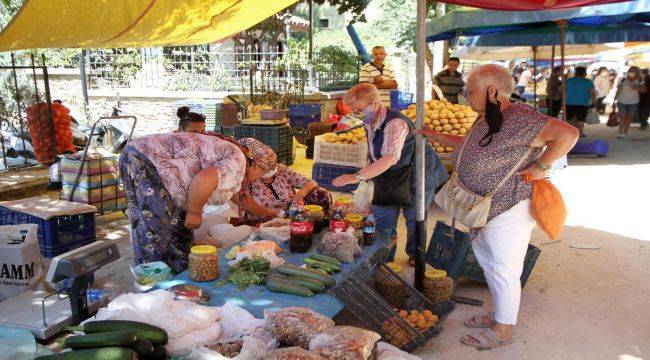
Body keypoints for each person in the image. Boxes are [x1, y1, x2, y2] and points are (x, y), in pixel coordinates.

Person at [418, 64, 579, 349]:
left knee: (504, 268)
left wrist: (542, 166)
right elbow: (470, 145)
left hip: (508, 206)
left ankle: (504, 330)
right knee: (489, 264)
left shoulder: (520, 117)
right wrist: (435, 135)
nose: (467, 97)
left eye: (471, 91)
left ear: (492, 90)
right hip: (481, 207)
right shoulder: (488, 118)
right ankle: (500, 315)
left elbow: (568, 134)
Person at [332, 83, 448, 266]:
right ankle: (384, 254)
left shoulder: (396, 123)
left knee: (414, 217)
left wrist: (358, 176)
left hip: (418, 172)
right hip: (391, 174)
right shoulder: (369, 121)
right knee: (382, 216)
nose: (357, 114)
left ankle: (415, 255)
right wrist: (368, 173)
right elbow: (373, 151)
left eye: (360, 110)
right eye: (354, 111)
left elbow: (390, 158)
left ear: (375, 104)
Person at [119, 133, 268, 273]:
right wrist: (194, 213)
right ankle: (167, 284)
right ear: (257, 165)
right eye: (263, 173)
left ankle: (152, 277)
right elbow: (204, 180)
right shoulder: (238, 160)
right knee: (166, 231)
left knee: (147, 226)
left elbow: (236, 195)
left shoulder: (232, 152)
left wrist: (266, 214)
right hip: (149, 162)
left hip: (135, 154)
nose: (259, 179)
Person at [237, 137, 332, 224]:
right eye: (264, 169)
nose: (269, 170)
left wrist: (300, 195)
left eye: (270, 168)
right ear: (254, 165)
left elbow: (312, 183)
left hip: (290, 215)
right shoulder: (242, 180)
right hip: (263, 222)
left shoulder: (281, 170)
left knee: (320, 194)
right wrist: (273, 217)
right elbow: (247, 203)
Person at [565, 66, 596, 137]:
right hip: (582, 102)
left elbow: (563, 91)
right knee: (581, 119)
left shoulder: (569, 81)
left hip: (569, 102)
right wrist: (594, 103)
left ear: (575, 73)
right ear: (584, 73)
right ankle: (580, 133)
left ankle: (567, 133)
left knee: (568, 118)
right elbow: (592, 93)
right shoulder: (588, 81)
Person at [614, 66, 644, 138]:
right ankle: (620, 132)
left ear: (637, 73)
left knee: (629, 117)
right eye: (631, 71)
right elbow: (618, 90)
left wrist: (638, 87)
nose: (632, 73)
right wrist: (614, 99)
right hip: (622, 101)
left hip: (633, 102)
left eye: (634, 71)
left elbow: (644, 90)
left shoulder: (640, 80)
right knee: (622, 117)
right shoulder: (622, 79)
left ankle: (625, 132)